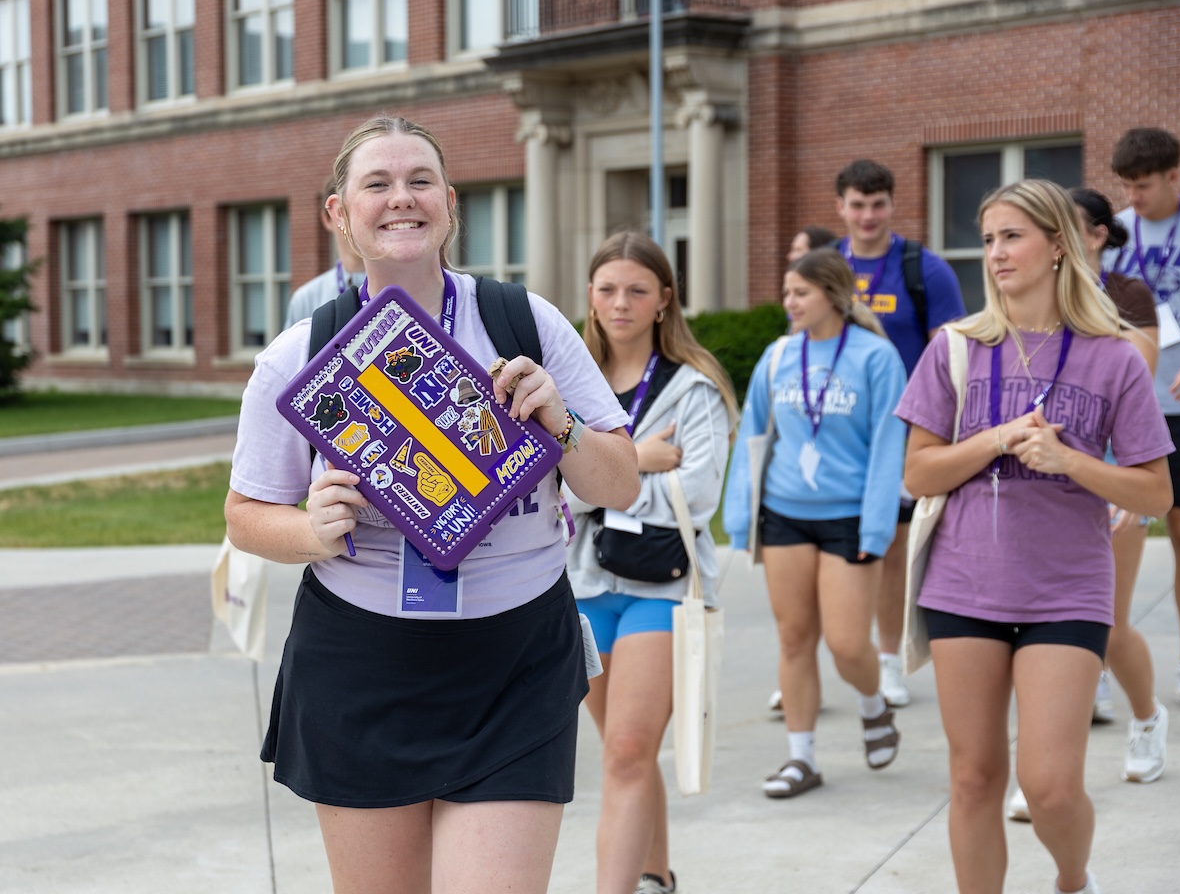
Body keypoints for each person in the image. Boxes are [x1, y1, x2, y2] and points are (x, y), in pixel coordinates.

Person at [224, 114, 640, 894]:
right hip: (361, 664)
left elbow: (620, 483)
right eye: (375, 184)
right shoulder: (301, 353)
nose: (400, 198)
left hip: (517, 659)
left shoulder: (528, 324)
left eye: (419, 181)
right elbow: (246, 514)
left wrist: (565, 427)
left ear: (451, 204)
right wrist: (310, 530)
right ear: (337, 213)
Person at [896, 179, 1174, 894]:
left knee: (1049, 787)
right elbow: (920, 474)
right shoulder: (953, 348)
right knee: (974, 777)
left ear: (1058, 245)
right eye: (987, 239)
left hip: (1067, 590)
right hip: (963, 584)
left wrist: (1069, 460)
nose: (995, 253)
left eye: (1011, 236)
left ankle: (1073, 877)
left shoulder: (1112, 357)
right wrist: (994, 439)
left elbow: (1155, 491)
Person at [565, 231, 737, 894]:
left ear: (665, 300)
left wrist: (597, 480)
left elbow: (696, 497)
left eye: (638, 290)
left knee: (631, 751)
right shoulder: (569, 387)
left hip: (663, 589)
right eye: (607, 289)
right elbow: (547, 494)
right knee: (622, 755)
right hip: (583, 584)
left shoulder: (694, 390)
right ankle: (658, 877)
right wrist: (635, 461)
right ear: (590, 295)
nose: (621, 303)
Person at [1006, 187, 1166, 822]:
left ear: (1094, 235)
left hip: (1109, 474)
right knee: (1024, 626)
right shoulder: (1022, 301)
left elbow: (1139, 375)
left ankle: (1148, 719)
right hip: (1034, 487)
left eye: (1059, 226)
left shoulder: (1126, 296)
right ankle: (1039, 771)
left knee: (1112, 625)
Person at [724, 247, 908, 799]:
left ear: (832, 294)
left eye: (800, 292)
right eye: (787, 292)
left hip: (850, 518)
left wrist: (878, 528)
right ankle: (801, 758)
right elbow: (753, 434)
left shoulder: (877, 358)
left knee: (851, 645)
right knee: (795, 637)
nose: (789, 302)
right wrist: (740, 518)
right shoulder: (780, 356)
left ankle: (873, 707)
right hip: (784, 514)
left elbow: (888, 447)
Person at [835, 159, 967, 708]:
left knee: (889, 549)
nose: (868, 215)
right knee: (828, 548)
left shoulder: (924, 268)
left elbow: (949, 353)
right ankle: (828, 660)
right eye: (857, 205)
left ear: (892, 204)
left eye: (878, 204)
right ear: (840, 207)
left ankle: (888, 660)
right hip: (835, 431)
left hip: (901, 430)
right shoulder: (827, 269)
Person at [1107, 127, 1180, 713]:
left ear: (1174, 175)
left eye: (1144, 186)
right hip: (1129, 410)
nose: (1134, 199)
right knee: (1111, 535)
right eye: (1127, 188)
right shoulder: (1115, 234)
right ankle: (1100, 661)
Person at [284, 175, 367, 327]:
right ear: (327, 219)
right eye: (344, 213)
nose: (356, 223)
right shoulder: (305, 299)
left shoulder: (409, 286)